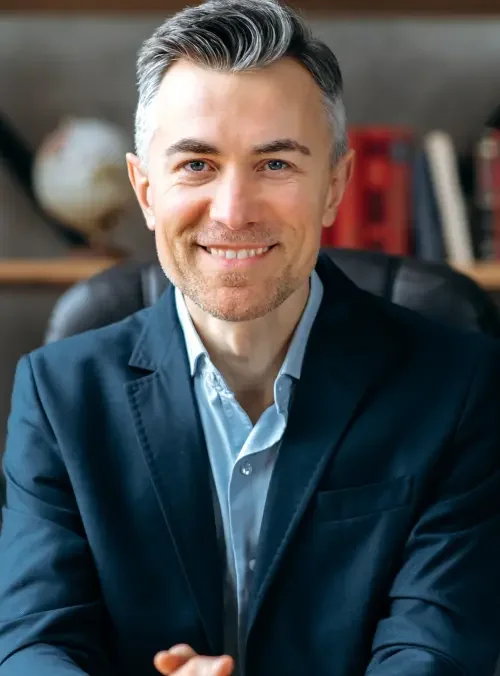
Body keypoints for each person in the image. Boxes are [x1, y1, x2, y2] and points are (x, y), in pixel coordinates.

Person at [1, 1, 500, 674]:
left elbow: (436, 652)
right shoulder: (58, 394)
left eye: (275, 165)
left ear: (334, 186)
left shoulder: (460, 386)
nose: (233, 212)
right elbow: (35, 643)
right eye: (197, 165)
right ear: (145, 191)